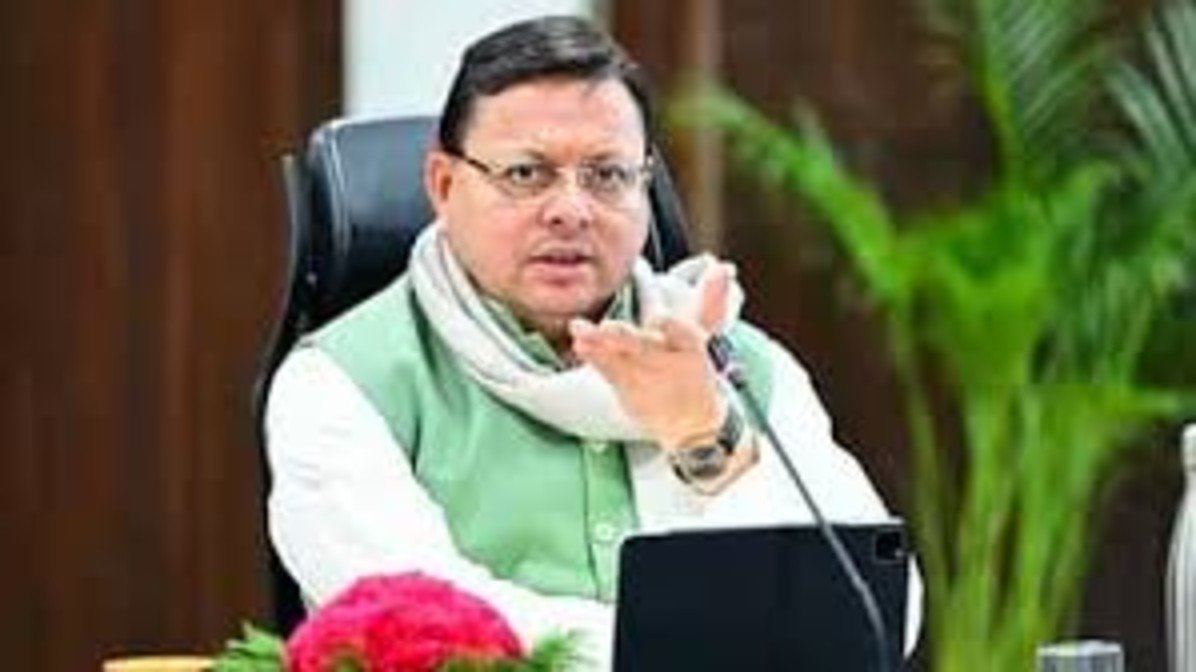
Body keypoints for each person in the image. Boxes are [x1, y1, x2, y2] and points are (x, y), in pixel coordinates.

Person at [265, 14, 921, 668]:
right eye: (526, 174)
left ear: (645, 186)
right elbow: (430, 633)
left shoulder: (736, 364)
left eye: (607, 175)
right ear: (443, 184)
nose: (570, 210)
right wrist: (698, 644)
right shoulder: (339, 384)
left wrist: (709, 441)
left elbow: (878, 613)